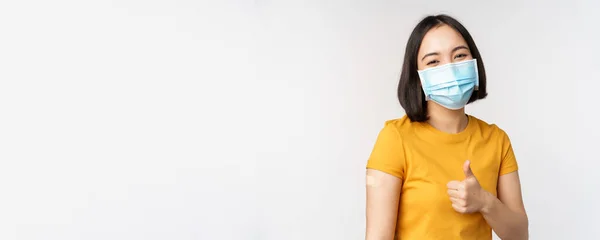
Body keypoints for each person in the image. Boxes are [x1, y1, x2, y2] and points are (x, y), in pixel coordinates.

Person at [365, 14, 528, 240]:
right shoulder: (395, 139)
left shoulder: (496, 139)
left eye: (459, 55)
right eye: (434, 61)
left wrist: (484, 201)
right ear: (418, 76)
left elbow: (519, 235)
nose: (450, 69)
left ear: (474, 62)